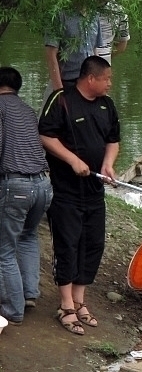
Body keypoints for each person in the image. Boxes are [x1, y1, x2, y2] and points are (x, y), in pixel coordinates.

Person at [38, 55, 119, 336]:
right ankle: (66, 305)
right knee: (68, 245)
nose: (110, 83)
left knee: (93, 244)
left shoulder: (107, 105)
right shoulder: (61, 100)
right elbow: (45, 136)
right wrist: (72, 159)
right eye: (107, 78)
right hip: (65, 192)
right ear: (91, 78)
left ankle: (80, 300)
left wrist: (108, 163)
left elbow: (113, 140)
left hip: (94, 191)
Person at [0, 67, 52, 325]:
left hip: (16, 185)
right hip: (43, 184)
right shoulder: (28, 110)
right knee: (29, 236)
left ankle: (12, 309)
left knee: (4, 250)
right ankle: (29, 293)